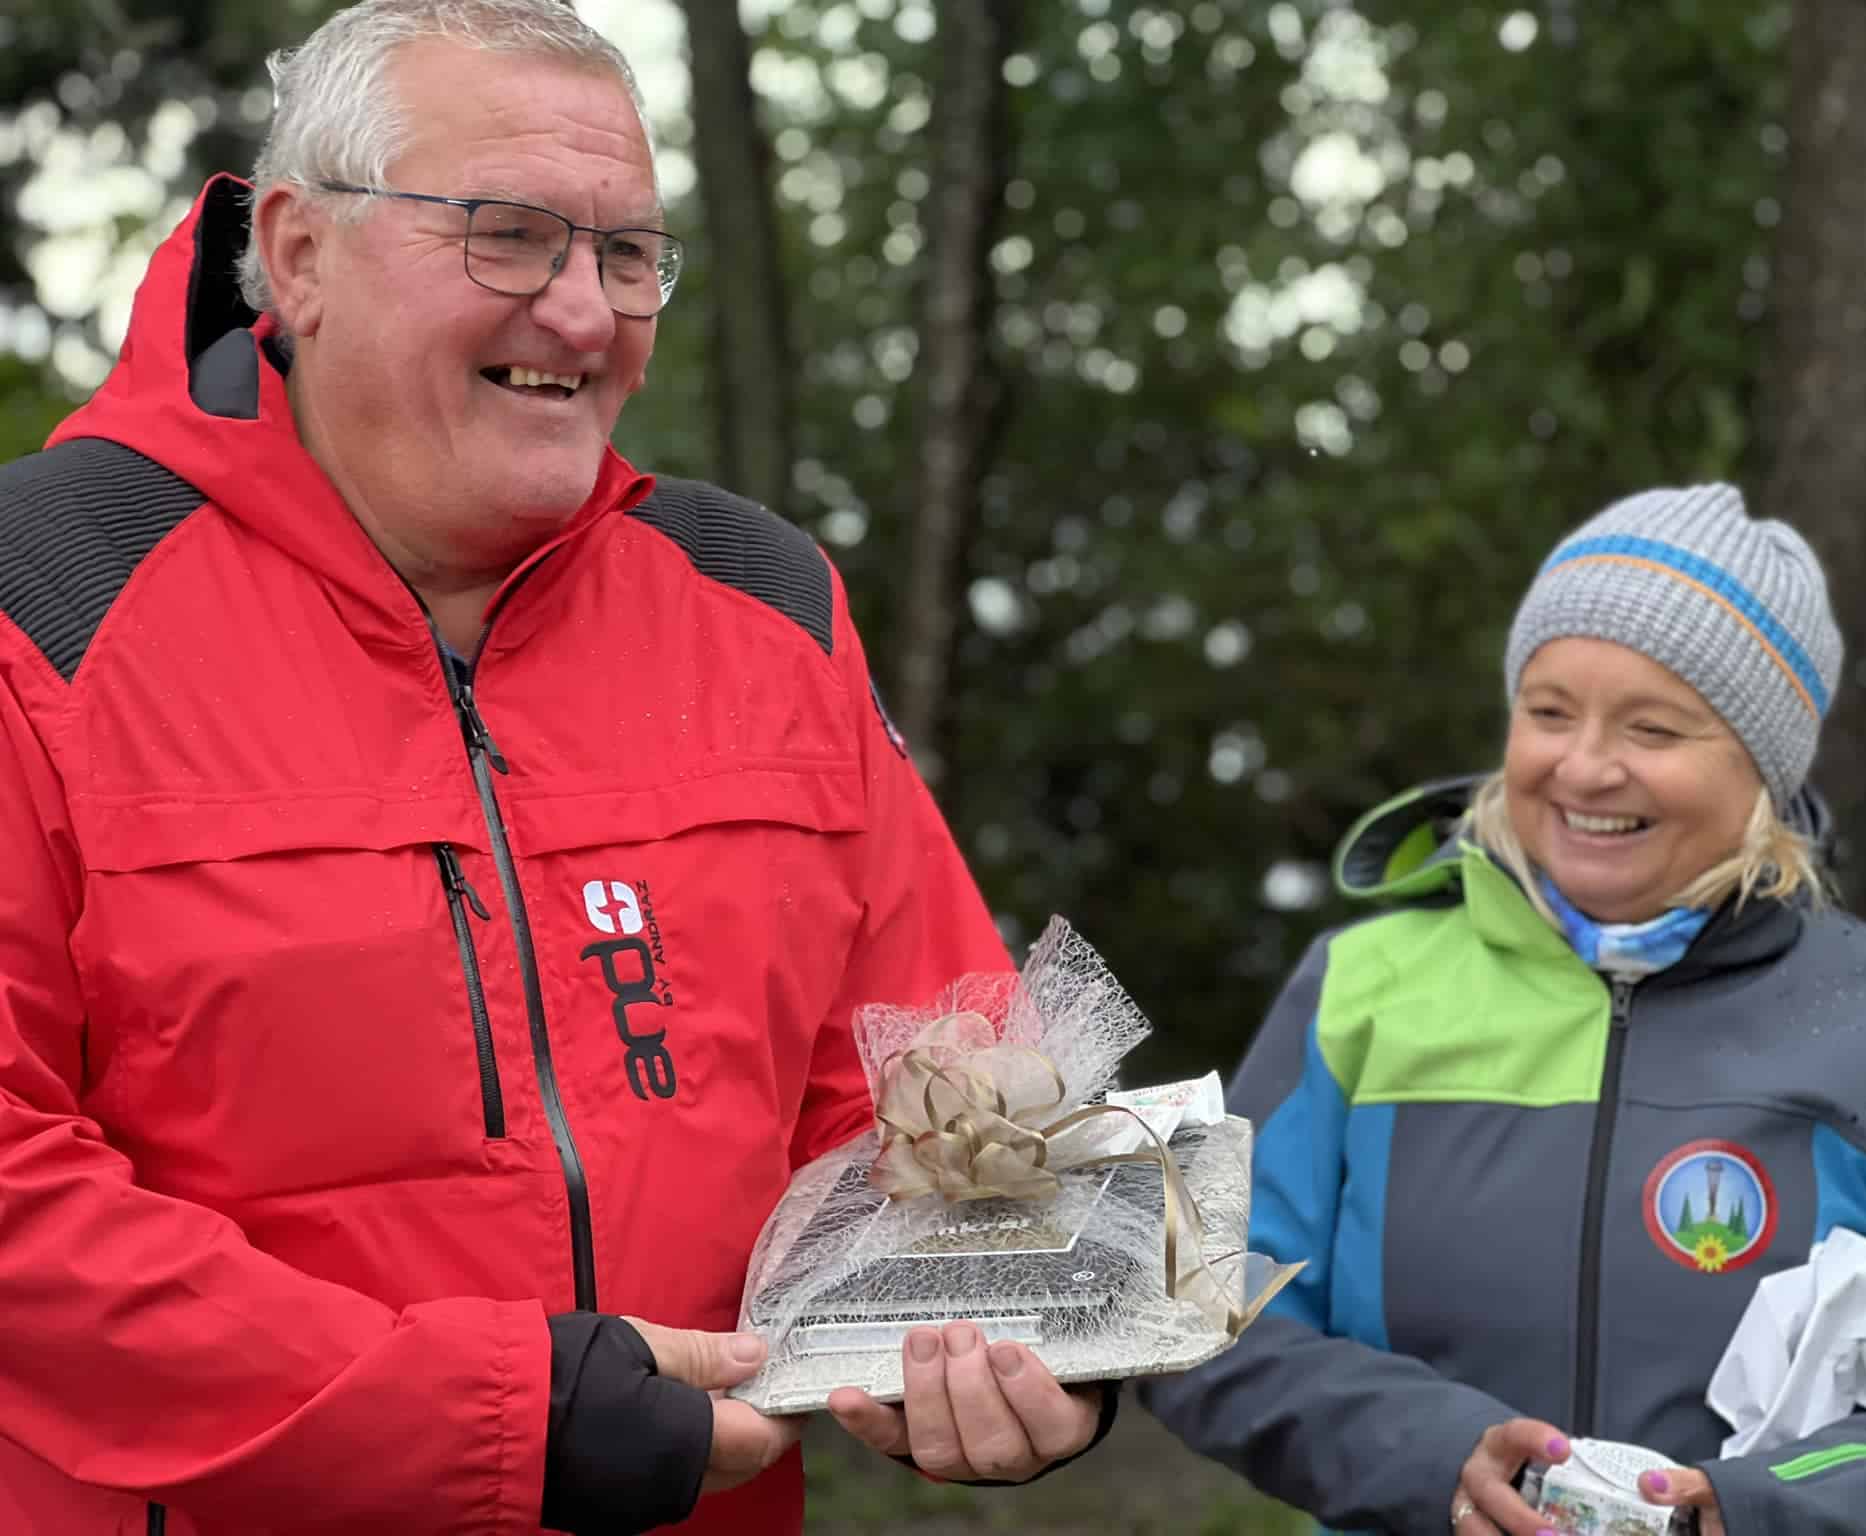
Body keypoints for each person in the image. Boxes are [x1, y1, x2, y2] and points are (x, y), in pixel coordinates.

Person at [0, 2, 1106, 1531]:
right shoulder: (39, 598)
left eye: (627, 254)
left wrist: (1050, 1316)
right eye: (507, 237)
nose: (583, 315)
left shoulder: (761, 603)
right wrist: (510, 1418)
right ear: (303, 254)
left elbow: (940, 1097)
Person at [1142, 484, 1866, 1535]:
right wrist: (1438, 1460)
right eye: (1547, 712)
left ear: (1761, 767)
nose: (1581, 767)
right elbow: (1197, 1317)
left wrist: (1754, 1511)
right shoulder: (1358, 990)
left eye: (1652, 727)